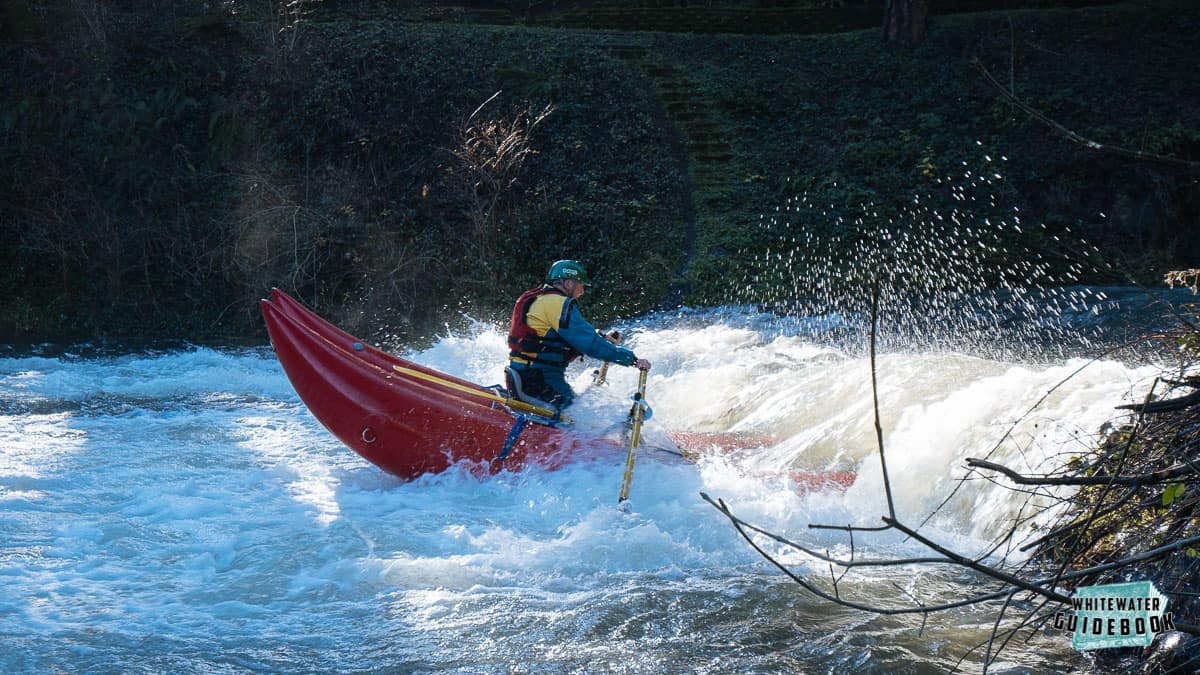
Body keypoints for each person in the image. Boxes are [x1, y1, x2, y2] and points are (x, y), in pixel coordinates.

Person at [506, 260, 651, 410]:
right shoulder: (558, 303)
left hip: (525, 374)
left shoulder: (542, 298)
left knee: (578, 409)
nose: (582, 291)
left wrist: (601, 337)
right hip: (540, 379)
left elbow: (564, 335)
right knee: (576, 413)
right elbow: (590, 344)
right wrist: (633, 360)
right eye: (581, 285)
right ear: (568, 283)